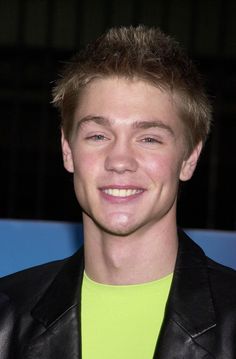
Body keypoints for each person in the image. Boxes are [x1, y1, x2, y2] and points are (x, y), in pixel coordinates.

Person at [0, 25, 235, 359]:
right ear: (68, 151)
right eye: (98, 136)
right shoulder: (6, 318)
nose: (120, 161)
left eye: (149, 138)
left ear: (189, 159)